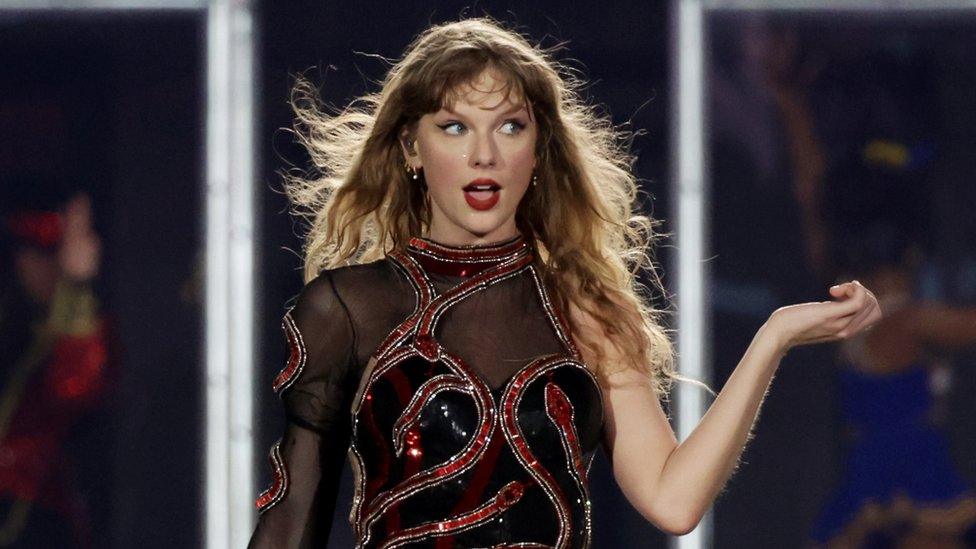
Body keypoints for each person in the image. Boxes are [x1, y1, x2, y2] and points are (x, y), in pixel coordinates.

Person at [248, 16, 881, 548]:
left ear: (539, 148)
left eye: (510, 126)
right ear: (412, 148)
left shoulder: (584, 308)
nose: (484, 155)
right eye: (455, 127)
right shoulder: (349, 308)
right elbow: (291, 520)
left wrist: (771, 340)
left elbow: (672, 500)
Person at [808, 226, 976, 547]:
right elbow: (966, 327)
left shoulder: (860, 323)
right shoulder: (900, 321)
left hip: (886, 464)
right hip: (903, 470)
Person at [0, 189, 113, 548]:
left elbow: (75, 387)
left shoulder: (77, 328)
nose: (45, 266)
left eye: (54, 252)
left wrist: (77, 287)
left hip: (35, 515)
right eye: (34, 252)